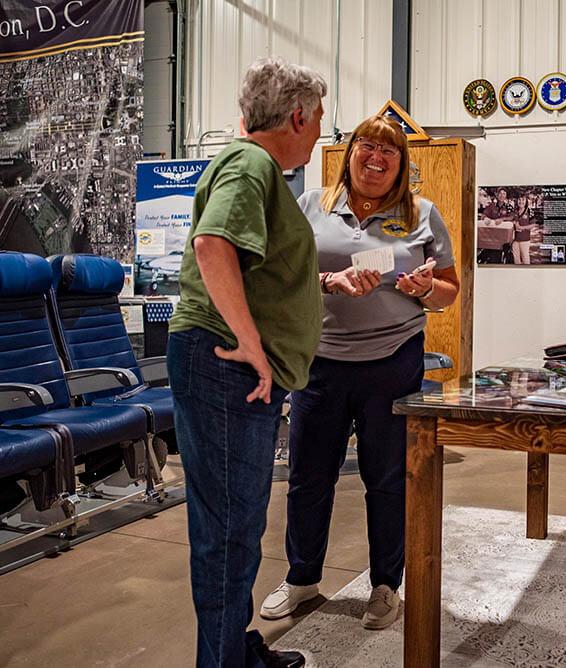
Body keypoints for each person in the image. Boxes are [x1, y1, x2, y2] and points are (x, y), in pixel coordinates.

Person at [260, 114, 459, 630]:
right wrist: (330, 279)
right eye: (366, 147)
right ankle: (302, 577)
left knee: (388, 478)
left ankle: (386, 586)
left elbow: (449, 289)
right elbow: (283, 274)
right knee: (308, 476)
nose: (375, 158)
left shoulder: (422, 213)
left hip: (392, 362)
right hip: (319, 360)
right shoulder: (311, 205)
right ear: (349, 154)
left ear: (401, 163)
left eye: (388, 151)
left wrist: (422, 289)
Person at [166, 57, 326, 668]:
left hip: (225, 364)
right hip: (225, 364)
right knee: (229, 532)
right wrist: (253, 346)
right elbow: (212, 244)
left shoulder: (256, 167)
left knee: (235, 524)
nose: (317, 135)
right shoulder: (251, 161)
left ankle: (233, 648)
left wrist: (321, 287)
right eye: (317, 122)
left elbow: (257, 270)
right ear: (297, 115)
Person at [511, 193, 534, 264]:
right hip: (515, 240)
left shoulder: (530, 211)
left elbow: (533, 225)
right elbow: (513, 222)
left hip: (525, 240)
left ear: (526, 201)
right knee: (516, 260)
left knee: (526, 260)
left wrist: (522, 227)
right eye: (519, 200)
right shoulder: (515, 211)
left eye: (523, 200)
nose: (521, 202)